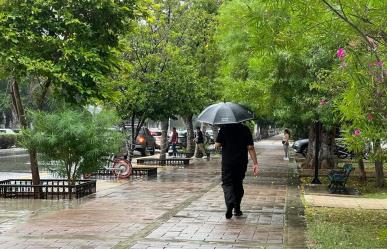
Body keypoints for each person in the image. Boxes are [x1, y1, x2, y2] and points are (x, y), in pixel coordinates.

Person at [215, 123, 259, 219]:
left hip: (227, 163)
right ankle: (237, 209)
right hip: (241, 162)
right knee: (238, 184)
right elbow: (250, 147)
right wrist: (255, 163)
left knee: (227, 184)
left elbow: (217, 145)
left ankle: (230, 202)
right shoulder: (245, 129)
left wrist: (217, 143)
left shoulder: (224, 128)